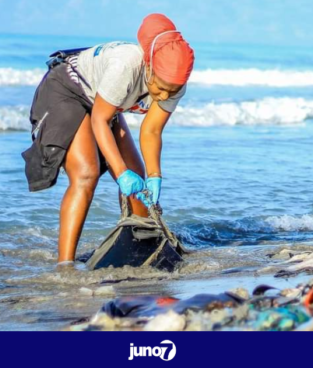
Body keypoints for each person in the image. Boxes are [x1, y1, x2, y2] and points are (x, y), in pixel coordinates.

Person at [23, 13, 194, 266]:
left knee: (140, 183)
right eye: (159, 87)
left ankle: (140, 246)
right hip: (67, 89)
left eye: (172, 91)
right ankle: (65, 266)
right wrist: (120, 171)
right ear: (148, 65)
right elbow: (99, 120)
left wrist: (155, 176)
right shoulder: (125, 66)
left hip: (102, 103)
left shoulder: (174, 83)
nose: (164, 95)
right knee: (86, 173)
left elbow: (152, 130)